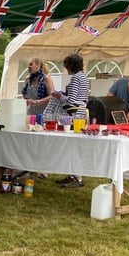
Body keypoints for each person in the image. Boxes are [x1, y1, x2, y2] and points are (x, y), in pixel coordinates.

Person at [46, 54, 90, 188]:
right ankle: (73, 175)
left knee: (71, 145)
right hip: (80, 112)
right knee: (74, 145)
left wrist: (59, 96)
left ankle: (77, 177)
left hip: (73, 113)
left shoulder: (76, 78)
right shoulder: (84, 77)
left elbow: (71, 101)